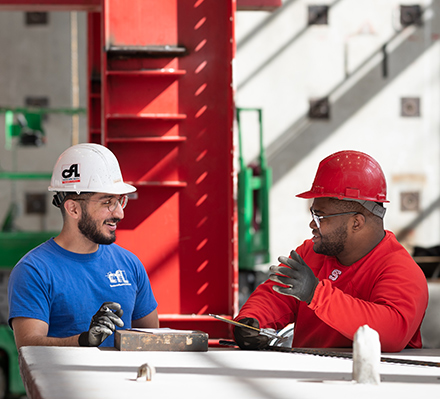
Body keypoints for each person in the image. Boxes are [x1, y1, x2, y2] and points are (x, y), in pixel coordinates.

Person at [234, 150, 428, 353]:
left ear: (356, 222)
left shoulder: (401, 270)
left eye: (321, 216)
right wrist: (251, 321)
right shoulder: (312, 253)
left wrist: (315, 294)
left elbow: (391, 333)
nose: (312, 224)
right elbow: (274, 295)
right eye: (313, 214)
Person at [8, 143, 159, 348]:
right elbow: (29, 346)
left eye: (120, 201)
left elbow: (154, 339)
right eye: (107, 202)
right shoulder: (34, 271)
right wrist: (84, 341)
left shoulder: (129, 264)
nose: (119, 213)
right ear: (73, 209)